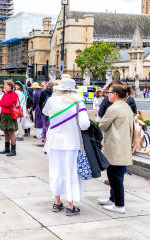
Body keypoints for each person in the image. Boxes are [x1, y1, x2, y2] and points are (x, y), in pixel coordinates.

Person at [42, 78, 90, 216]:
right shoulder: (78, 101)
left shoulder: (52, 100)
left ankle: (57, 202)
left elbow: (45, 112)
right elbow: (84, 124)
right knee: (70, 173)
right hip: (71, 142)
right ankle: (70, 205)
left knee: (56, 171)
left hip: (54, 142)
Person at [98, 82, 134, 214]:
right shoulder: (125, 106)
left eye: (109, 92)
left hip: (115, 146)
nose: (107, 94)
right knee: (115, 175)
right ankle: (112, 199)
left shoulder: (114, 108)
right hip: (122, 145)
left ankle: (119, 205)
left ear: (115, 95)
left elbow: (102, 125)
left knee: (115, 177)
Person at [0, 80, 19, 156]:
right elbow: (0, 103)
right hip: (3, 114)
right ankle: (7, 149)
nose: (4, 86)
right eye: (4, 85)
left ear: (10, 86)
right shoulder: (5, 94)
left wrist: (5, 104)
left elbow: (9, 103)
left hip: (10, 114)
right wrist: (5, 104)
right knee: (5, 131)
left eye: (6, 85)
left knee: (11, 132)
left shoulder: (14, 94)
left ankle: (13, 150)